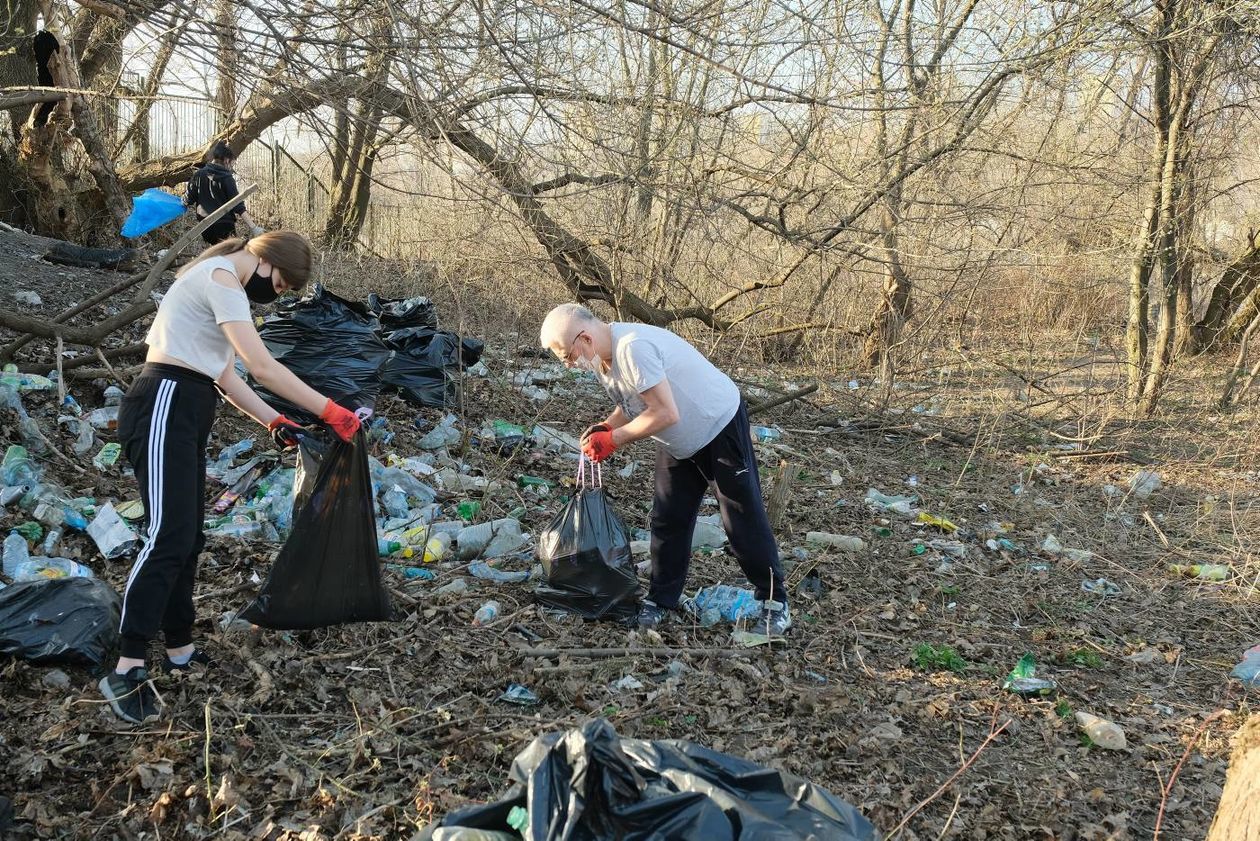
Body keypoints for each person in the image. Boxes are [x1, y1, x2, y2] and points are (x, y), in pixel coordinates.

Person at [97, 231, 363, 725]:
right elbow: (261, 365)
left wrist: (273, 421)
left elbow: (226, 376)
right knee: (167, 536)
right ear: (265, 262)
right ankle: (127, 663)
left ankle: (179, 647)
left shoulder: (226, 287)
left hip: (189, 406)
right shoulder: (220, 277)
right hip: (163, 404)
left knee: (188, 537)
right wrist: (331, 411)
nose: (275, 295)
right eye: (280, 285)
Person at [539, 303, 790, 635]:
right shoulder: (604, 359)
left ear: (584, 338)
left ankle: (775, 603)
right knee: (668, 518)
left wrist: (614, 440)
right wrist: (606, 425)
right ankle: (662, 599)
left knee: (740, 518)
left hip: (718, 426)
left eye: (568, 356)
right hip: (679, 441)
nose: (571, 364)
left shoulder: (632, 348)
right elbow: (633, 403)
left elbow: (665, 412)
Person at [184, 142, 264, 244]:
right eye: (232, 164)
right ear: (226, 160)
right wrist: (254, 227)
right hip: (224, 226)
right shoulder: (227, 178)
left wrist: (179, 202)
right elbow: (238, 205)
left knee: (217, 254)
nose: (231, 167)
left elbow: (188, 199)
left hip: (205, 228)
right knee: (232, 255)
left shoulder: (199, 174)